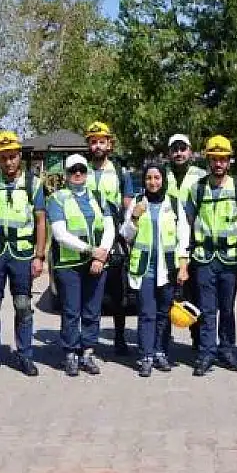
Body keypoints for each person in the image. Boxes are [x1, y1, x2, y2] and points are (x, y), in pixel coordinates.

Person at [0, 130, 47, 377]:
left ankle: (25, 356)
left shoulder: (33, 184)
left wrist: (39, 256)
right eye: (4, 158)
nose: (9, 162)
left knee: (23, 305)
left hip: (22, 254)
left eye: (12, 157)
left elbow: (41, 222)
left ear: (19, 157)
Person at [47, 153, 116, 376]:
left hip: (96, 263)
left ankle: (87, 352)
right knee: (71, 310)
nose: (78, 173)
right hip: (69, 265)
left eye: (82, 170)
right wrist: (90, 250)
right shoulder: (57, 199)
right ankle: (70, 353)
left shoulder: (98, 196)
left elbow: (109, 227)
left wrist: (101, 255)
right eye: (73, 170)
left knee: (92, 310)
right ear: (66, 174)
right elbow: (60, 233)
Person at [185, 135, 237, 376]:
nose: (218, 164)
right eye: (214, 159)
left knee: (228, 308)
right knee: (207, 309)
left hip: (231, 259)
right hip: (203, 258)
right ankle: (206, 353)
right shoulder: (197, 189)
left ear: (229, 161)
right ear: (208, 161)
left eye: (223, 159)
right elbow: (189, 222)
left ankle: (227, 350)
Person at [119, 161, 190, 376]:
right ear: (144, 181)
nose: (152, 182)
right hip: (144, 269)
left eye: (157, 178)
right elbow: (126, 234)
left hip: (168, 268)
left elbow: (183, 236)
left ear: (163, 180)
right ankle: (145, 356)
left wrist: (183, 265)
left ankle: (161, 352)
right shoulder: (137, 203)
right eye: (149, 178)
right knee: (147, 313)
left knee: (163, 313)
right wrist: (134, 217)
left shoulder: (174, 204)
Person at [84, 121, 134, 355]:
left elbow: (127, 205)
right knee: (90, 293)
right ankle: (88, 342)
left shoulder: (121, 172)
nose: (97, 146)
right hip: (87, 238)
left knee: (117, 294)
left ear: (109, 144)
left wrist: (127, 234)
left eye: (101, 141)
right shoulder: (79, 170)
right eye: (93, 142)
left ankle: (120, 338)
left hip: (114, 239)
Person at [164, 133, 206, 352]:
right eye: (175, 149)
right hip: (168, 243)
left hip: (195, 241)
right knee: (167, 294)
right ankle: (163, 343)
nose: (179, 153)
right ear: (169, 153)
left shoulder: (201, 175)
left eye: (183, 148)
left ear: (190, 151)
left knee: (195, 294)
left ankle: (198, 341)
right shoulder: (163, 175)